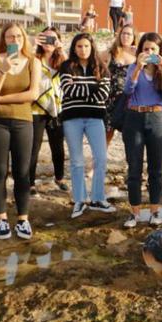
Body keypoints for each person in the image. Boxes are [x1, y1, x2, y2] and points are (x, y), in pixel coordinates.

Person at [0, 24, 41, 240]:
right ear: (4, 39)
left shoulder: (34, 62)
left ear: (24, 38)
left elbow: (32, 94)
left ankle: (23, 219)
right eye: (9, 36)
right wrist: (3, 70)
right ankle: (2, 220)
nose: (14, 39)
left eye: (18, 35)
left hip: (23, 121)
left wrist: (0, 99)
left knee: (22, 172)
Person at [122, 32, 162, 228]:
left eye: (153, 49)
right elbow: (128, 90)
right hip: (134, 118)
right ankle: (135, 213)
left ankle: (155, 212)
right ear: (140, 51)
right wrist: (138, 67)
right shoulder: (132, 68)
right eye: (145, 49)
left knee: (156, 168)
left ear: (160, 51)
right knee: (134, 168)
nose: (149, 52)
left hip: (156, 118)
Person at [58, 32, 114, 219]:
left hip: (95, 118)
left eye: (86, 46)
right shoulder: (66, 67)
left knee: (101, 158)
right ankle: (80, 200)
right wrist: (92, 88)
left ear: (92, 47)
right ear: (74, 48)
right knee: (77, 161)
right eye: (79, 46)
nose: (83, 50)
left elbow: (103, 95)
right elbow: (68, 89)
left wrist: (81, 89)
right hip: (71, 118)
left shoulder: (102, 68)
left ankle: (98, 198)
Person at [30, 27, 67, 194]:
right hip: (36, 107)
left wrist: (61, 48)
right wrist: (31, 44)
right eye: (45, 38)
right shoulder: (34, 57)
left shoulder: (61, 60)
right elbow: (20, 62)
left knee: (57, 147)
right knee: (33, 147)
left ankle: (59, 177)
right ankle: (30, 182)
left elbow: (70, 68)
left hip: (56, 108)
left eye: (53, 39)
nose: (48, 42)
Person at [103, 24, 137, 147]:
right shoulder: (111, 52)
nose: (125, 36)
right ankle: (99, 163)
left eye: (129, 34)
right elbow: (94, 59)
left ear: (134, 37)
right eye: (123, 33)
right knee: (107, 132)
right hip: (110, 97)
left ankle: (132, 163)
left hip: (128, 98)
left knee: (129, 133)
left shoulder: (138, 55)